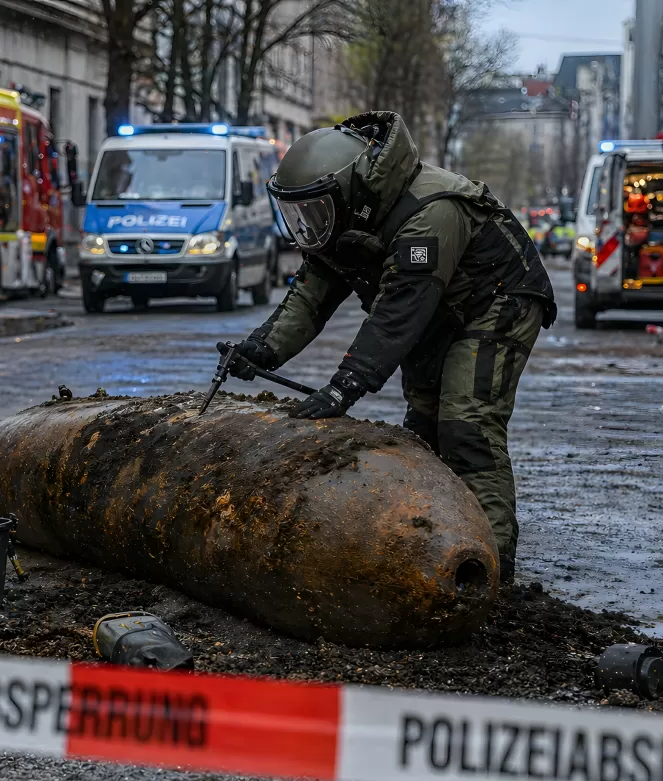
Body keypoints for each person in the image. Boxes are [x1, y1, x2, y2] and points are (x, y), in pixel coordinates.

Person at [220, 111, 556, 583]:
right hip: (437, 310)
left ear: (349, 193)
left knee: (465, 426)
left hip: (498, 302)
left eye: (315, 211)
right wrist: (260, 350)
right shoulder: (345, 222)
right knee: (423, 428)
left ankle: (490, 571)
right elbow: (309, 297)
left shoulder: (431, 210)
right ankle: (431, 542)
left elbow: (397, 313)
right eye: (300, 214)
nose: (308, 226)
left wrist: (343, 389)